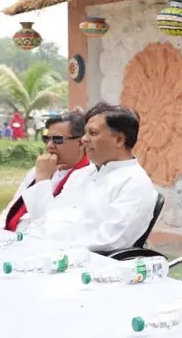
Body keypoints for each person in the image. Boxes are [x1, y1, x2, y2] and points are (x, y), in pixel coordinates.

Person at [22, 102, 159, 252]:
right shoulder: (83, 174)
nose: (83, 139)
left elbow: (109, 241)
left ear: (119, 140)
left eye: (92, 133)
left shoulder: (135, 184)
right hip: (42, 249)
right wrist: (42, 180)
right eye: (85, 133)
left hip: (80, 264)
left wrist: (49, 242)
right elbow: (44, 216)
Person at [0, 112, 90, 232]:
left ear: (80, 142)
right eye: (46, 139)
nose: (49, 145)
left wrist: (43, 180)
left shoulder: (87, 176)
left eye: (57, 140)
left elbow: (48, 222)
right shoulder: (39, 169)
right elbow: (12, 208)